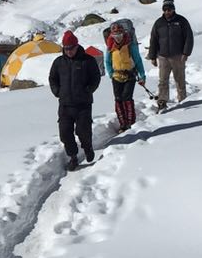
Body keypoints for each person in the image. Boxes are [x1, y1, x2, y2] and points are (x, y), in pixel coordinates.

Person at [48, 30, 101, 169]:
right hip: (65, 104)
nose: (69, 51)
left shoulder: (87, 60)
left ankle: (88, 147)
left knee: (83, 131)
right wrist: (57, 91)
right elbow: (52, 78)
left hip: (83, 104)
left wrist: (88, 90)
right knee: (65, 133)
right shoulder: (59, 62)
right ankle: (73, 157)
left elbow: (96, 77)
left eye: (71, 48)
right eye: (66, 48)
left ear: (76, 46)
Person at [147, 0, 194, 112]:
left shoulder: (181, 21)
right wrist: (153, 56)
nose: (167, 11)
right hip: (163, 56)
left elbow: (189, 37)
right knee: (163, 81)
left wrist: (186, 53)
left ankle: (182, 100)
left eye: (170, 9)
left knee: (180, 79)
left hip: (178, 56)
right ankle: (162, 102)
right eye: (165, 9)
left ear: (173, 9)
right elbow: (153, 39)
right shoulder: (159, 23)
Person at [103, 19, 146, 130]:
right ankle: (123, 123)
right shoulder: (110, 47)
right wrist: (111, 74)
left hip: (129, 75)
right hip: (116, 76)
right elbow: (107, 61)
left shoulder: (130, 45)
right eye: (115, 34)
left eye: (120, 34)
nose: (118, 37)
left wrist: (142, 75)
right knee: (118, 99)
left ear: (123, 33)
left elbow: (138, 60)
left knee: (127, 97)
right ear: (112, 35)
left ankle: (130, 122)